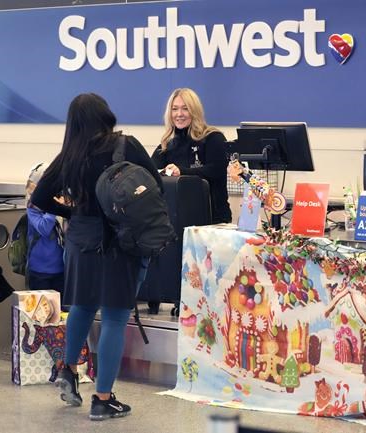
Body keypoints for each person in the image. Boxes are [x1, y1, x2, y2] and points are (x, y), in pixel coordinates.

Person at [31, 93, 161, 421]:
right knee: (115, 318)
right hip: (117, 243)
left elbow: (39, 197)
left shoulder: (69, 156)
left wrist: (71, 212)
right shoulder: (125, 145)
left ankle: (68, 368)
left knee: (81, 308)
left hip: (79, 243)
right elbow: (154, 184)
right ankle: (103, 399)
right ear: (105, 114)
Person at [151, 87, 232, 224]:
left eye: (185, 108)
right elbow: (150, 171)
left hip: (212, 219)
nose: (179, 114)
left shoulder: (213, 137)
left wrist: (181, 172)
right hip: (178, 219)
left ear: (195, 111)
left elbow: (216, 170)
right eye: (175, 109)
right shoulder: (167, 144)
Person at [24, 162, 65, 292]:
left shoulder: (64, 203)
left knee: (62, 311)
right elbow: (44, 228)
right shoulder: (32, 209)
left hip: (61, 269)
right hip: (40, 271)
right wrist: (54, 208)